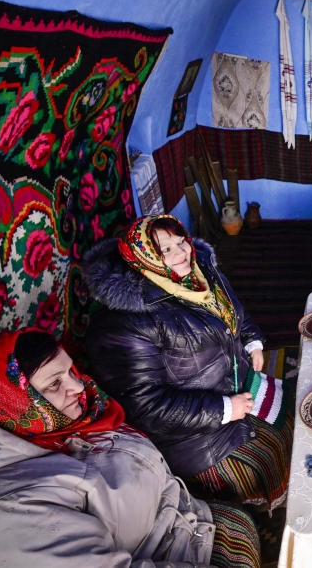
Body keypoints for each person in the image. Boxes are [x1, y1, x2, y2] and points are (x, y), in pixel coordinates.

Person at [0, 329, 261, 568]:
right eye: (55, 383)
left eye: (72, 371)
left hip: (171, 519)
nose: (79, 387)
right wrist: (223, 409)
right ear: (7, 402)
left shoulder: (56, 426)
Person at [82, 215, 291, 513]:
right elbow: (144, 407)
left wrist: (252, 341)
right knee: (265, 458)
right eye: (165, 250)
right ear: (141, 257)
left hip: (238, 385)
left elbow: (234, 311)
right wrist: (224, 409)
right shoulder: (124, 324)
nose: (182, 254)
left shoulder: (201, 272)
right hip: (196, 437)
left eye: (181, 242)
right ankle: (253, 514)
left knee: (298, 417)